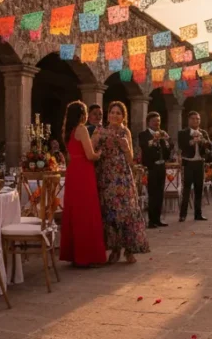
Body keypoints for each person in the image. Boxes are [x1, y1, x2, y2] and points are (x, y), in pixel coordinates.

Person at [94, 101, 150, 263]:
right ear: (108, 114)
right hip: (106, 176)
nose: (114, 115)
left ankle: (129, 249)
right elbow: (91, 151)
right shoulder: (100, 131)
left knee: (126, 212)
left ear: (123, 117)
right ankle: (115, 249)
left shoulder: (126, 132)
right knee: (111, 212)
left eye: (118, 113)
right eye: (112, 112)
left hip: (123, 176)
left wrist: (125, 148)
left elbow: (131, 159)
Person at [58, 101, 106, 268]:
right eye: (85, 112)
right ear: (81, 114)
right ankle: (86, 256)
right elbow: (90, 155)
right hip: (84, 171)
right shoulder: (81, 129)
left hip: (73, 171)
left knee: (74, 211)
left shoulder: (68, 131)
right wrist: (100, 152)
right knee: (87, 211)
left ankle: (74, 254)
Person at [138, 112, 172, 228]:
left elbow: (167, 152)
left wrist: (167, 141)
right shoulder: (144, 134)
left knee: (160, 194)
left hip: (161, 166)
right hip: (151, 167)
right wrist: (154, 139)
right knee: (152, 194)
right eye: (154, 121)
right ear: (149, 122)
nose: (157, 123)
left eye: (158, 121)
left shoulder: (162, 134)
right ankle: (151, 221)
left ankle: (158, 219)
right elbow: (145, 148)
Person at [177, 112, 210, 222]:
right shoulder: (183, 133)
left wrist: (203, 141)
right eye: (193, 119)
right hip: (188, 163)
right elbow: (181, 145)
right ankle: (183, 215)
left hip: (199, 163)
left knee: (199, 189)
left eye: (198, 119)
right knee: (186, 190)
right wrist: (191, 142)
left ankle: (198, 214)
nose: (196, 121)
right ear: (189, 120)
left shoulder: (203, 132)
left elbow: (209, 145)